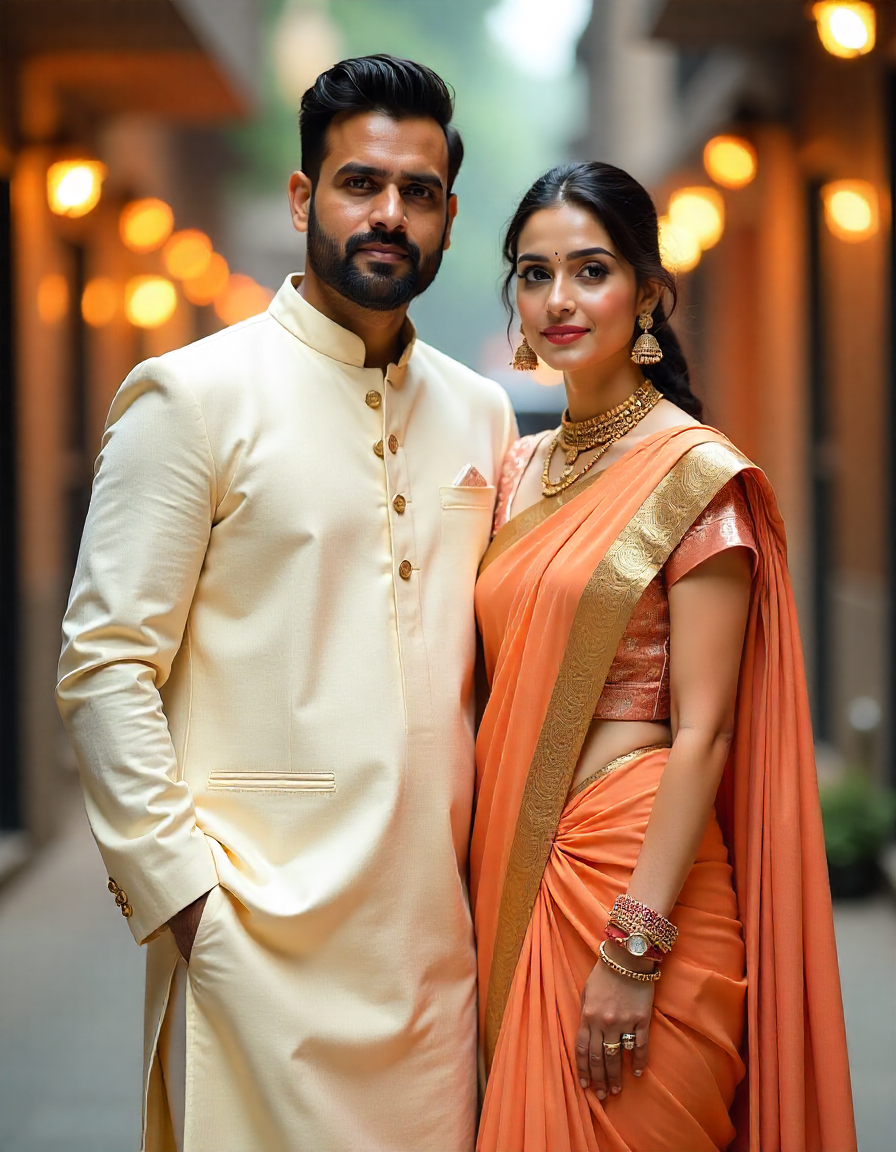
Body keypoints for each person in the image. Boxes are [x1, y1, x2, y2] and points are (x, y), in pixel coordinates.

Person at [57, 55, 516, 1152]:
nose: (389, 213)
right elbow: (105, 664)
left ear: (449, 218)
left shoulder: (483, 415)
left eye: (417, 191)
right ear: (304, 197)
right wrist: (185, 904)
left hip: (436, 962)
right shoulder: (192, 397)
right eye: (361, 183)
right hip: (254, 948)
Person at [470, 162, 856, 1152]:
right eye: (534, 273)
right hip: (516, 873)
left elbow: (707, 730)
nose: (558, 299)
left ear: (645, 292)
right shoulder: (514, 471)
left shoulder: (695, 477)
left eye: (590, 270)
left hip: (640, 884)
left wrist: (632, 948)